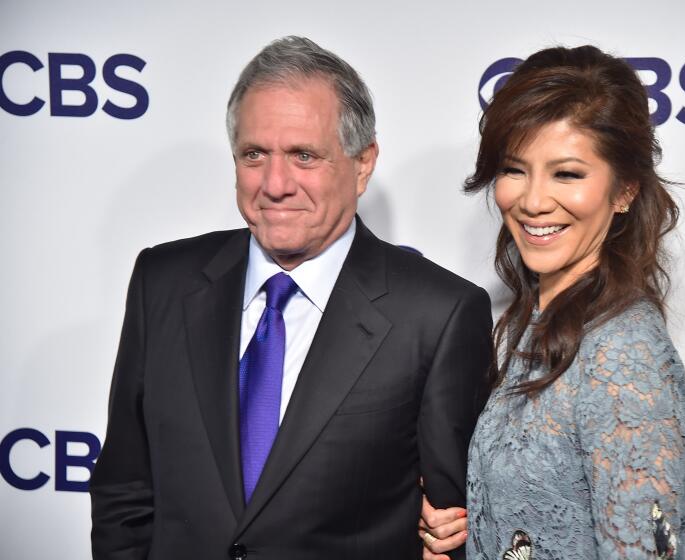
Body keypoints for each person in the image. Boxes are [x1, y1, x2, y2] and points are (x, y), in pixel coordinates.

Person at [90, 36, 492, 560]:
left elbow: (451, 523)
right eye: (255, 154)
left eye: (304, 156)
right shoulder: (161, 280)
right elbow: (125, 487)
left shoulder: (438, 314)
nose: (275, 184)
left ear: (363, 163)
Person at [420, 45, 685, 559]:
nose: (533, 200)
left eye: (567, 174)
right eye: (515, 169)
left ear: (624, 191)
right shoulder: (539, 321)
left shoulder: (623, 355)